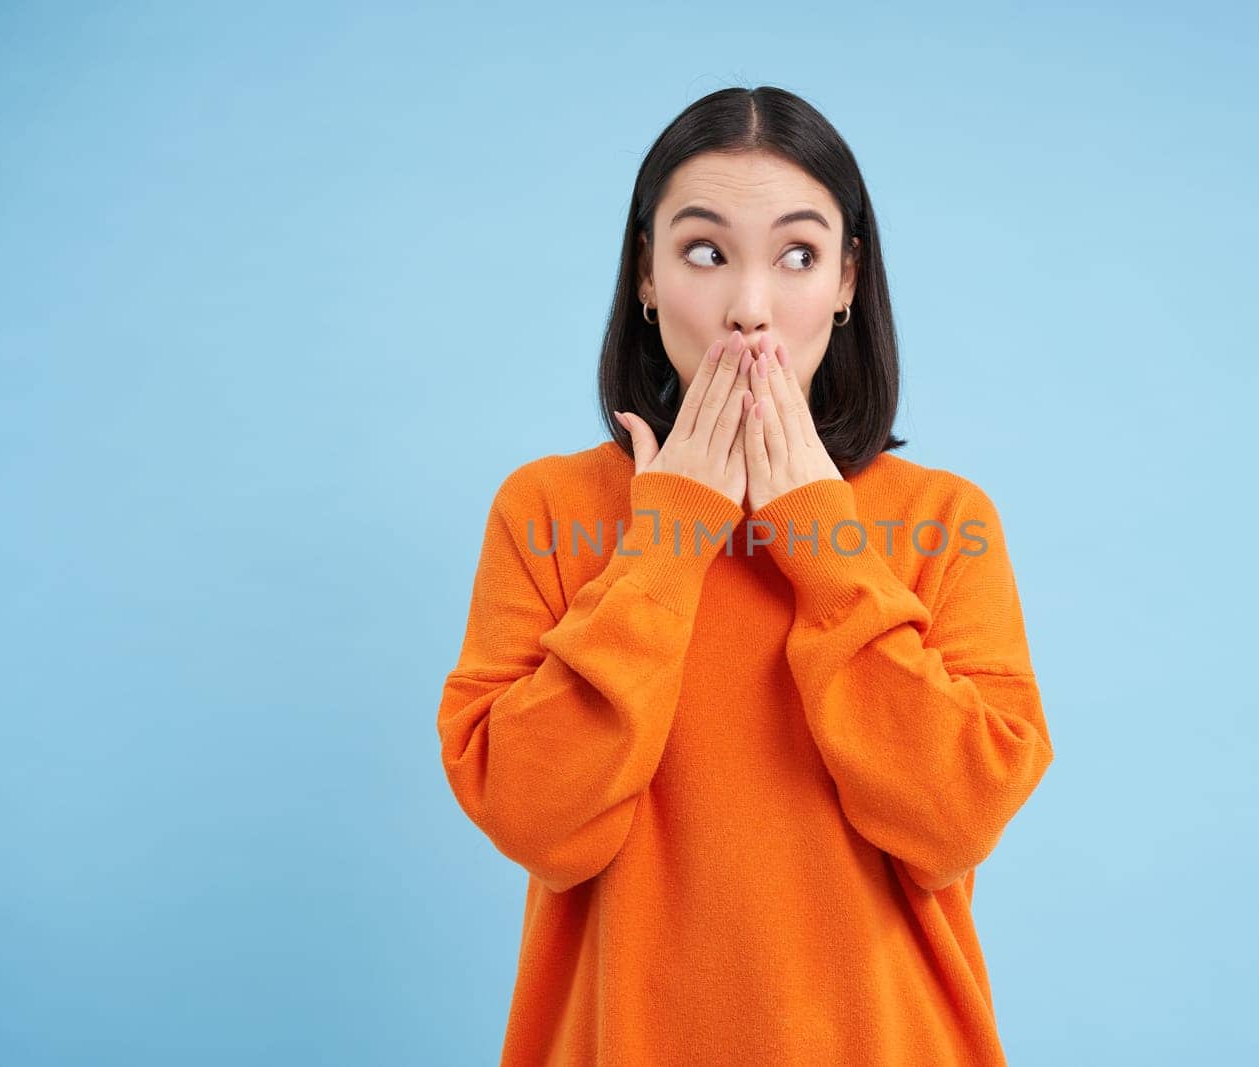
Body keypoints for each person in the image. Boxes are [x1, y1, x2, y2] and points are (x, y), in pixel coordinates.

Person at [436, 85, 1054, 1065]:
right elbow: (538, 818)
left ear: (847, 281)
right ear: (645, 272)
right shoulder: (549, 510)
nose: (749, 308)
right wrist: (670, 534)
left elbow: (954, 818)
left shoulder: (943, 520)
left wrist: (820, 535)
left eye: (798, 254)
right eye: (704, 250)